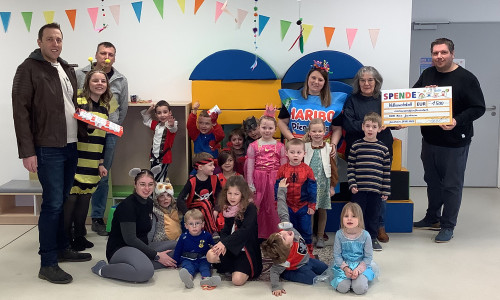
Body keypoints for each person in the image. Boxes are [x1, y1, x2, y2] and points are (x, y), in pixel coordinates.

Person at [12, 22, 91, 284]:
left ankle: (61, 248)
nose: (55, 43)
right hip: (47, 147)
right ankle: (47, 262)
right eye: (50, 39)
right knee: (53, 204)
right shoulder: (28, 69)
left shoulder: (66, 68)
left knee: (64, 200)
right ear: (39, 42)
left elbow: (70, 106)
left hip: (70, 145)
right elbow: (20, 112)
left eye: (59, 39)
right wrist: (27, 151)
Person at [412, 38, 485, 243]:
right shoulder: (427, 74)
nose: (439, 57)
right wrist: (424, 94)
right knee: (432, 181)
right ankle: (432, 217)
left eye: (443, 52)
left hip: (455, 142)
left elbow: (478, 108)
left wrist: (456, 120)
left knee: (452, 185)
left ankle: (447, 225)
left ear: (452, 53)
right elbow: (413, 97)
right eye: (435, 53)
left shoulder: (466, 78)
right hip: (429, 140)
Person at [343, 65, 403, 244]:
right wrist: (372, 124)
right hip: (358, 151)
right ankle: (356, 228)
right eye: (363, 80)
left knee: (380, 191)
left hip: (382, 149)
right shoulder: (352, 100)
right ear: (358, 82)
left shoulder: (386, 99)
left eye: (370, 80)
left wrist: (395, 123)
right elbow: (348, 124)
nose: (367, 83)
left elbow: (394, 118)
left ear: (376, 82)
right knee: (357, 193)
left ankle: (379, 226)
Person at [76, 41, 129, 237]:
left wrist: (110, 127)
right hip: (83, 134)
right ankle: (77, 221)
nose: (106, 57)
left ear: (114, 58)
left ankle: (97, 217)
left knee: (102, 175)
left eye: (111, 54)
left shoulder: (120, 80)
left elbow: (122, 109)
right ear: (96, 55)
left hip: (108, 134)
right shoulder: (80, 74)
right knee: (78, 174)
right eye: (103, 53)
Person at [91, 168, 177, 283]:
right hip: (121, 249)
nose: (147, 189)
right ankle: (102, 269)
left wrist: (154, 252)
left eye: (150, 184)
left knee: (178, 247)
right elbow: (130, 239)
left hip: (141, 246)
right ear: (135, 184)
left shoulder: (149, 203)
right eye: (142, 184)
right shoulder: (127, 206)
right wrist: (156, 255)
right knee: (145, 272)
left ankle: (140, 263)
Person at [64, 70, 113, 251]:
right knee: (71, 199)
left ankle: (79, 236)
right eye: (95, 80)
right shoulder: (80, 102)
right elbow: (71, 126)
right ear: (88, 82)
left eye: (103, 81)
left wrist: (101, 163)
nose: (99, 83)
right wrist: (86, 124)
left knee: (85, 200)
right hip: (77, 158)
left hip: (93, 160)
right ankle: (66, 239)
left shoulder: (104, 107)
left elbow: (103, 138)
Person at [261, 178, 328, 297]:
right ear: (287, 246)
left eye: (280, 233)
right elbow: (274, 271)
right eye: (284, 237)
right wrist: (276, 287)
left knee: (326, 268)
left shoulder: (286, 227)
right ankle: (286, 274)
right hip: (295, 268)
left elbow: (282, 208)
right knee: (313, 280)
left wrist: (281, 190)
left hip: (307, 260)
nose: (285, 232)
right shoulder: (283, 259)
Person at [277, 60, 346, 152]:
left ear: (325, 83)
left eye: (320, 80)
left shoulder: (334, 102)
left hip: (322, 148)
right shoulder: (291, 99)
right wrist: (293, 140)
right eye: (313, 78)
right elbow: (282, 122)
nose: (316, 82)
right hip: (296, 149)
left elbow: (337, 128)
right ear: (308, 79)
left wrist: (333, 144)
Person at [207, 175, 263, 286]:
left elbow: (245, 231)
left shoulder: (250, 208)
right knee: (210, 255)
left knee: (237, 281)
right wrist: (221, 243)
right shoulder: (228, 208)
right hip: (230, 248)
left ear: (242, 194)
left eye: (236, 194)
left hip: (245, 251)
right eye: (229, 193)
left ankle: (236, 269)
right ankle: (233, 268)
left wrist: (225, 243)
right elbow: (225, 230)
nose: (232, 197)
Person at [347, 112, 391, 251]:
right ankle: (355, 238)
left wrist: (385, 190)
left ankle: (372, 238)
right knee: (357, 215)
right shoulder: (356, 146)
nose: (370, 129)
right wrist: (352, 184)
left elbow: (386, 172)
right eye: (367, 126)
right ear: (363, 127)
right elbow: (351, 167)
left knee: (373, 215)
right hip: (359, 190)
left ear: (379, 129)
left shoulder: (383, 148)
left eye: (374, 126)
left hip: (376, 191)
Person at [246, 106, 287, 239]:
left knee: (274, 207)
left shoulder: (280, 146)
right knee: (259, 206)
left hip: (274, 179)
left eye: (270, 128)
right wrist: (250, 183)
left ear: (275, 129)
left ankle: (275, 234)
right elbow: (250, 167)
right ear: (259, 128)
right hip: (259, 179)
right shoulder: (253, 146)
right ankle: (258, 234)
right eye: (264, 127)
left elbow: (283, 167)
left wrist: (283, 182)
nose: (267, 131)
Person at [274, 138, 317, 256]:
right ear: (286, 153)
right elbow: (277, 187)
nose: (295, 155)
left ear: (304, 153)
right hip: (288, 206)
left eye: (299, 152)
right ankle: (291, 252)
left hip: (303, 207)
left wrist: (312, 205)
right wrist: (278, 203)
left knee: (306, 230)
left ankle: (308, 252)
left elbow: (312, 188)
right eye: (292, 152)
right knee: (289, 231)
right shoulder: (282, 169)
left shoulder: (308, 170)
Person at [303, 118, 338, 248]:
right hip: (309, 185)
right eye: (314, 131)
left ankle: (320, 235)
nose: (317, 133)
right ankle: (309, 236)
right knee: (310, 210)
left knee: (322, 210)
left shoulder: (329, 148)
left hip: (324, 185)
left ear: (325, 132)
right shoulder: (305, 147)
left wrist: (332, 186)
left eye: (320, 131)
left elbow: (333, 169)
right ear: (310, 132)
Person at [331, 202, 376, 295]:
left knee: (359, 289)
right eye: (346, 216)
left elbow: (368, 257)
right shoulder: (339, 234)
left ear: (359, 218)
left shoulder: (365, 235)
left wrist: (358, 270)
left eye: (354, 216)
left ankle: (359, 281)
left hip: (361, 266)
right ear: (342, 218)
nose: (349, 219)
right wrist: (346, 269)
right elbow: (337, 255)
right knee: (342, 288)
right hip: (343, 266)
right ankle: (350, 282)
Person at [173, 209, 221, 289]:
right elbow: (178, 250)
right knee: (187, 268)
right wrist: (175, 262)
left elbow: (214, 246)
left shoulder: (207, 235)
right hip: (188, 259)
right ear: (186, 226)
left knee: (205, 268)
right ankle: (188, 279)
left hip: (203, 259)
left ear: (202, 224)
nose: (194, 226)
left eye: (197, 223)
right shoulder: (183, 237)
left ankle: (206, 280)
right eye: (191, 224)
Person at [177, 152, 221, 234]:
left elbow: (220, 196)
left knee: (206, 204)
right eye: (210, 165)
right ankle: (213, 232)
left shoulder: (215, 179)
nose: (214, 167)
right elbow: (180, 199)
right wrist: (187, 214)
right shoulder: (192, 181)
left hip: (210, 209)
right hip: (195, 209)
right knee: (204, 202)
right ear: (200, 167)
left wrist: (216, 210)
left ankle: (206, 234)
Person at [141, 100, 178, 182]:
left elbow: (173, 129)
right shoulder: (156, 125)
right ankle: (153, 194)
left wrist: (171, 125)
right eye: (159, 113)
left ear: (170, 113)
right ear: (156, 115)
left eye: (165, 112)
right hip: (154, 158)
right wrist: (150, 109)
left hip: (164, 158)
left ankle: (159, 194)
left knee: (160, 180)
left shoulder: (171, 125)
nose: (162, 115)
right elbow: (146, 120)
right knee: (152, 177)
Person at [148, 179, 181, 251]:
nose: (165, 199)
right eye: (162, 196)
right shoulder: (154, 212)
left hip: (176, 240)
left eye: (168, 195)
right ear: (157, 199)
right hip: (161, 243)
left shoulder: (174, 210)